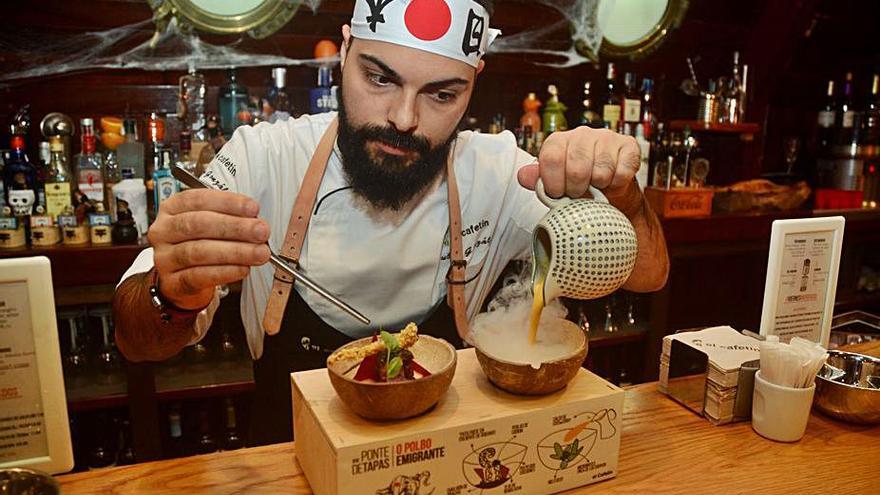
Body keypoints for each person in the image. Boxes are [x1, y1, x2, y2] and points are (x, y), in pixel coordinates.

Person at [113, 0, 669, 446]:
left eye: (442, 94)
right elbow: (137, 341)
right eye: (379, 79)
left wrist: (622, 195)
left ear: (474, 83)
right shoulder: (265, 160)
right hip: (291, 454)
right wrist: (174, 294)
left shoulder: (497, 171)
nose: (404, 119)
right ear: (345, 51)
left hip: (448, 454)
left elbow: (648, 276)